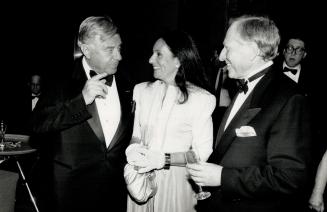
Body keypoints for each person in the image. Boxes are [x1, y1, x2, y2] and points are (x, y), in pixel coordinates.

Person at [187, 15, 312, 212]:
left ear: (253, 52)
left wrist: (222, 177)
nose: (221, 56)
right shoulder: (243, 85)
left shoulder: (288, 97)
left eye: (227, 48)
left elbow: (290, 177)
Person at [31, 16, 134, 212]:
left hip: (114, 190)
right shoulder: (61, 79)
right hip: (71, 191)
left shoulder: (126, 81)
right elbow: (37, 124)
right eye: (110, 50)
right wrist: (81, 101)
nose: (119, 56)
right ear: (86, 50)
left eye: (119, 48)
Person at [125, 29, 216, 212]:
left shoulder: (201, 99)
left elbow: (201, 153)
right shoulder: (141, 91)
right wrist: (134, 149)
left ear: (178, 60)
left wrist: (163, 159)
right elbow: (136, 135)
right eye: (152, 53)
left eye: (158, 54)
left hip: (176, 184)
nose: (151, 59)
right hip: (141, 181)